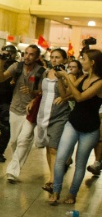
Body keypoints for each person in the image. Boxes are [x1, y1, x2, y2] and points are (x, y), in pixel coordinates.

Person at [49, 49, 102, 205]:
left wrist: (66, 76)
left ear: (92, 63)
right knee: (60, 159)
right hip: (73, 123)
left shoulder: (100, 82)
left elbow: (79, 97)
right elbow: (65, 95)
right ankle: (56, 191)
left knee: (80, 163)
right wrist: (60, 78)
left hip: (90, 129)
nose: (81, 61)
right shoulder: (84, 77)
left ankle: (72, 194)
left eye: (83, 59)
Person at [0, 44, 45, 183]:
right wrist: (1, 63)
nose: (27, 56)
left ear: (37, 57)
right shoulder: (16, 67)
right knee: (14, 141)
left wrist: (32, 93)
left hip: (31, 112)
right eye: (26, 53)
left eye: (31, 54)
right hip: (15, 109)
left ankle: (12, 171)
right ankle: (14, 165)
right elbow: (0, 78)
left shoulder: (41, 71)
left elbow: (43, 92)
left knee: (24, 141)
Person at [33, 49, 70, 194]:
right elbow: (40, 92)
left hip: (59, 115)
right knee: (49, 147)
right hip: (44, 113)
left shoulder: (68, 75)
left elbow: (68, 94)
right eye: (52, 57)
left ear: (64, 60)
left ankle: (53, 181)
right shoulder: (45, 73)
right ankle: (52, 175)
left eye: (58, 57)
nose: (54, 60)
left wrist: (61, 78)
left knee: (54, 148)